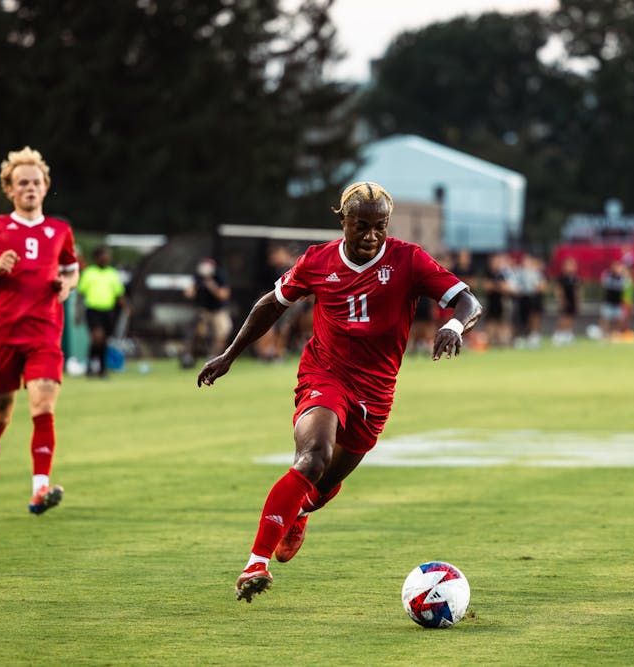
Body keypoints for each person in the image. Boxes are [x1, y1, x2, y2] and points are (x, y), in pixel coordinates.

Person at [197, 182, 482, 602]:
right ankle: (256, 562)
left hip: (376, 391)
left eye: (379, 227)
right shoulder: (317, 260)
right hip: (324, 374)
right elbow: (270, 305)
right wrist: (229, 355)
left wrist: (453, 325)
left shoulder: (409, 259)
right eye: (360, 226)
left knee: (319, 489)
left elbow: (468, 303)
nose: (370, 236)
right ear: (342, 220)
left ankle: (300, 513)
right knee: (312, 456)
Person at [0, 146, 79, 514]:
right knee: (1, 411)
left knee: (43, 404)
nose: (30, 188)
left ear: (46, 187)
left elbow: (71, 269)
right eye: (21, 183)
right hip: (3, 334)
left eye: (36, 182)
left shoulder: (60, 230)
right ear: (9, 189)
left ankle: (39, 489)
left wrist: (67, 286)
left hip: (44, 334)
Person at [77, 245, 128, 377]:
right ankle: (91, 365)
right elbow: (80, 294)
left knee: (104, 340)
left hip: (108, 311)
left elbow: (119, 293)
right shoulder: (89, 273)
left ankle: (101, 368)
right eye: (104, 255)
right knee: (97, 337)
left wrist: (125, 306)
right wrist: (78, 313)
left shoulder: (112, 273)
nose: (107, 258)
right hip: (93, 310)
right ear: (98, 257)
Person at [181, 257, 232, 367]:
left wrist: (212, 286)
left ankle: (216, 358)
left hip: (218, 309)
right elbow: (189, 293)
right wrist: (193, 288)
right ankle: (190, 357)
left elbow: (224, 295)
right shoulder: (197, 277)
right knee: (198, 332)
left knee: (222, 331)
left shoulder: (219, 275)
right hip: (204, 309)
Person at [552, 256, 580, 346]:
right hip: (564, 300)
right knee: (564, 318)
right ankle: (558, 334)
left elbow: (577, 290)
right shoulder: (561, 277)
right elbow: (558, 289)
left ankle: (568, 334)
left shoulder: (575, 278)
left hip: (572, 300)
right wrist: (561, 299)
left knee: (571, 317)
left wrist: (577, 301)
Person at [600, 260, 627, 340]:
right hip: (608, 302)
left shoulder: (622, 277)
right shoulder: (608, 276)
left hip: (618, 303)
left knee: (619, 320)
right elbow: (607, 284)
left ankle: (615, 334)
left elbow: (625, 285)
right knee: (606, 319)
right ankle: (604, 335)